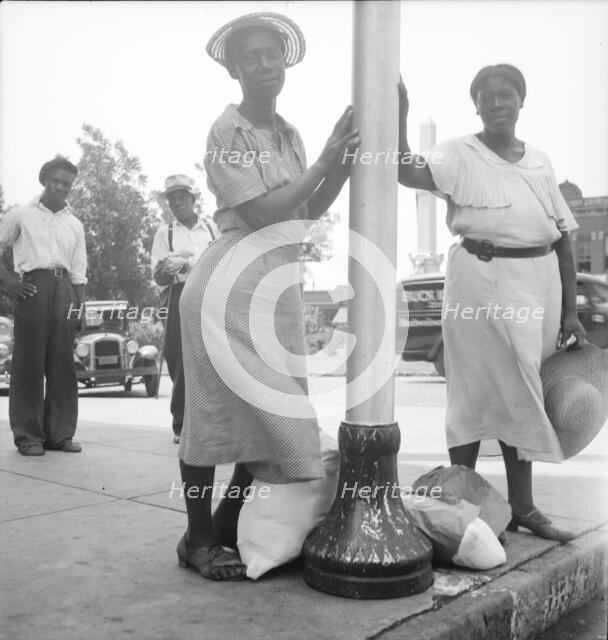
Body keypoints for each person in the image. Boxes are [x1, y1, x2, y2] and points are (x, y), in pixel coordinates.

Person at [176, 12, 359, 580]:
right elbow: (259, 211)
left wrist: (342, 165)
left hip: (275, 290)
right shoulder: (227, 132)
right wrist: (328, 159)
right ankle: (198, 538)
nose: (263, 64)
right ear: (233, 68)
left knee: (276, 420)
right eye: (250, 56)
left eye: (271, 53)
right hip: (226, 287)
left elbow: (303, 210)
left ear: (285, 61)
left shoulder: (291, 135)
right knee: (212, 418)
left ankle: (225, 524)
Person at [397, 64, 586, 542]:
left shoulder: (540, 161)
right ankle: (465, 508)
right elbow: (406, 170)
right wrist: (400, 115)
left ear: (522, 103)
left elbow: (564, 241)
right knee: (473, 391)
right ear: (475, 104)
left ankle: (522, 507)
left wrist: (570, 313)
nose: (498, 104)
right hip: (478, 279)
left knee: (525, 391)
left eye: (507, 96)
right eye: (488, 97)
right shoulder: (458, 152)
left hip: (537, 282)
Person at [0, 156, 87, 456]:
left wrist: (80, 308)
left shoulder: (75, 224)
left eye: (68, 184)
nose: (62, 187)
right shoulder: (21, 215)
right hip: (32, 287)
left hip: (65, 290)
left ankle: (60, 435)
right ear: (44, 180)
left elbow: (78, 271)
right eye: (57, 181)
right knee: (28, 363)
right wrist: (8, 282)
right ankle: (28, 435)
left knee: (63, 364)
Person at [151, 175, 216, 444]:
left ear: (193, 199)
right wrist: (168, 269)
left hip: (211, 294)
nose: (176, 204)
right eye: (171, 200)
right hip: (179, 294)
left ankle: (212, 422)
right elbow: (157, 275)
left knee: (212, 357)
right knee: (177, 357)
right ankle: (181, 423)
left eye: (181, 198)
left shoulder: (213, 228)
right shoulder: (165, 232)